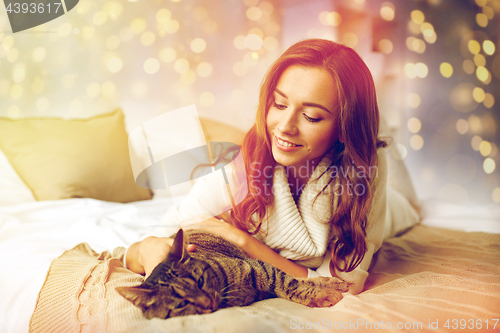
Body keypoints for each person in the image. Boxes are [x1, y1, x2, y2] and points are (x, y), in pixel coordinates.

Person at [125, 39, 421, 295]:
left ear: (343, 127)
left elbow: (338, 284)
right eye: (279, 105)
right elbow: (165, 231)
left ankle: (379, 134)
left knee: (407, 199)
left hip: (393, 203)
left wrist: (243, 241)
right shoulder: (240, 165)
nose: (285, 127)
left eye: (311, 117)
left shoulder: (367, 172)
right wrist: (147, 249)